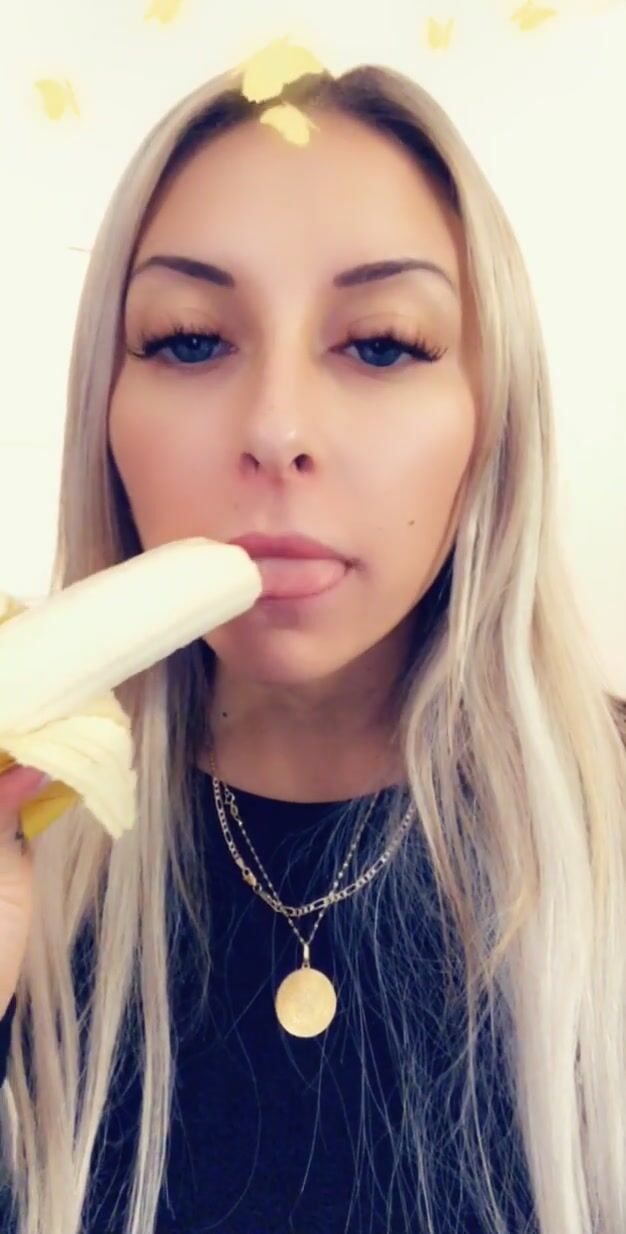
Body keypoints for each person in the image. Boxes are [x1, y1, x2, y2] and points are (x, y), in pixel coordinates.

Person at [0, 48, 625, 1234]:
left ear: (492, 418)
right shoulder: (21, 853)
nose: (276, 427)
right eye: (190, 339)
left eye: (380, 343)